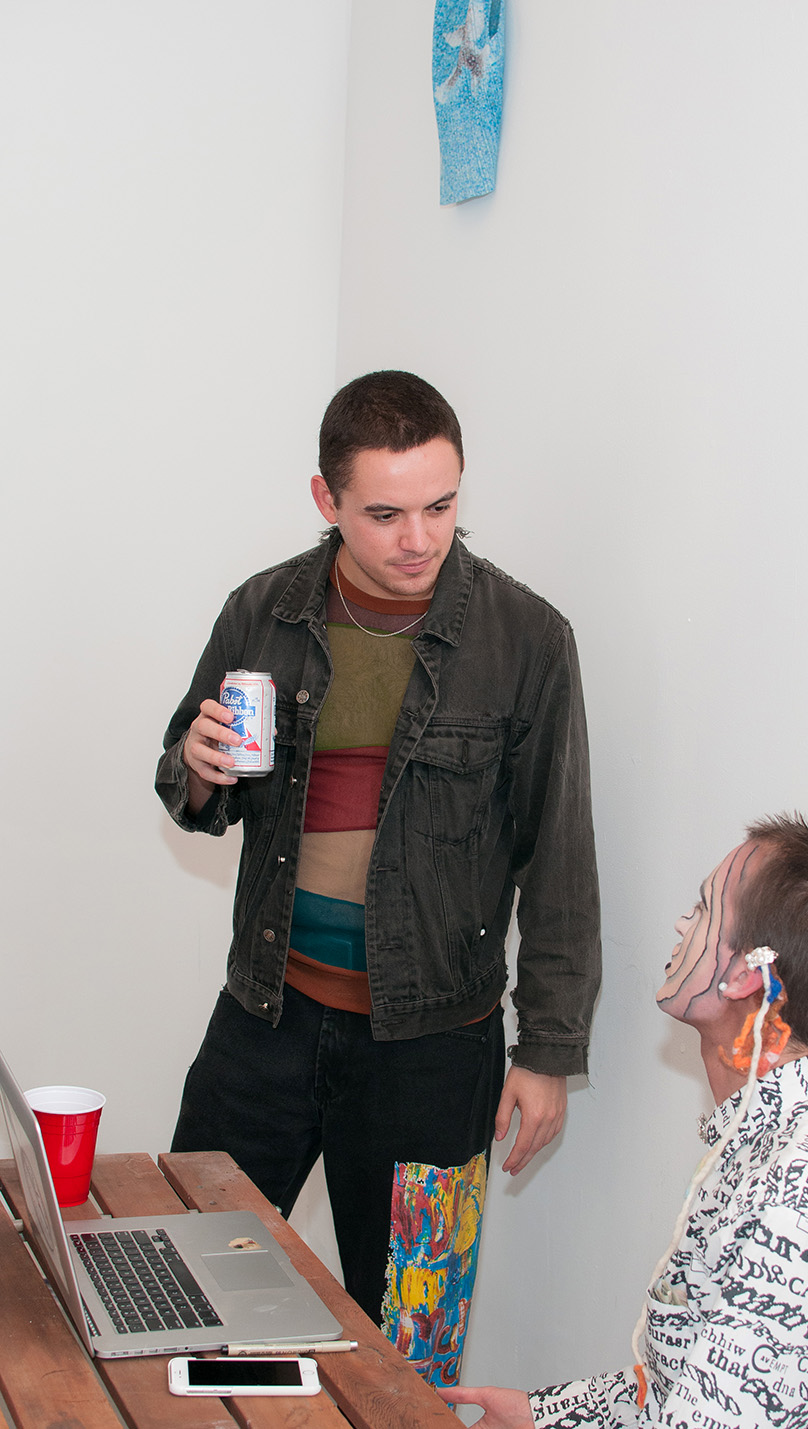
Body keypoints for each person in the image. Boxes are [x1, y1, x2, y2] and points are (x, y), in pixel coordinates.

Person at [155, 370, 601, 1384]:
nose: (419, 538)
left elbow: (560, 857)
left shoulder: (527, 640)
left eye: (441, 506)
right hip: (263, 1020)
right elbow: (188, 777)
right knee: (180, 1288)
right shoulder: (260, 610)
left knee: (411, 1345)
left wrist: (547, 1050)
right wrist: (196, 763)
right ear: (327, 501)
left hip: (434, 1052)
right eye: (386, 513)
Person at [443, 815, 808, 1428]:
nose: (680, 923)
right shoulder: (793, 1130)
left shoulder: (799, 1203)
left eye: (701, 909)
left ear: (747, 974)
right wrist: (546, 1416)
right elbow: (684, 1393)